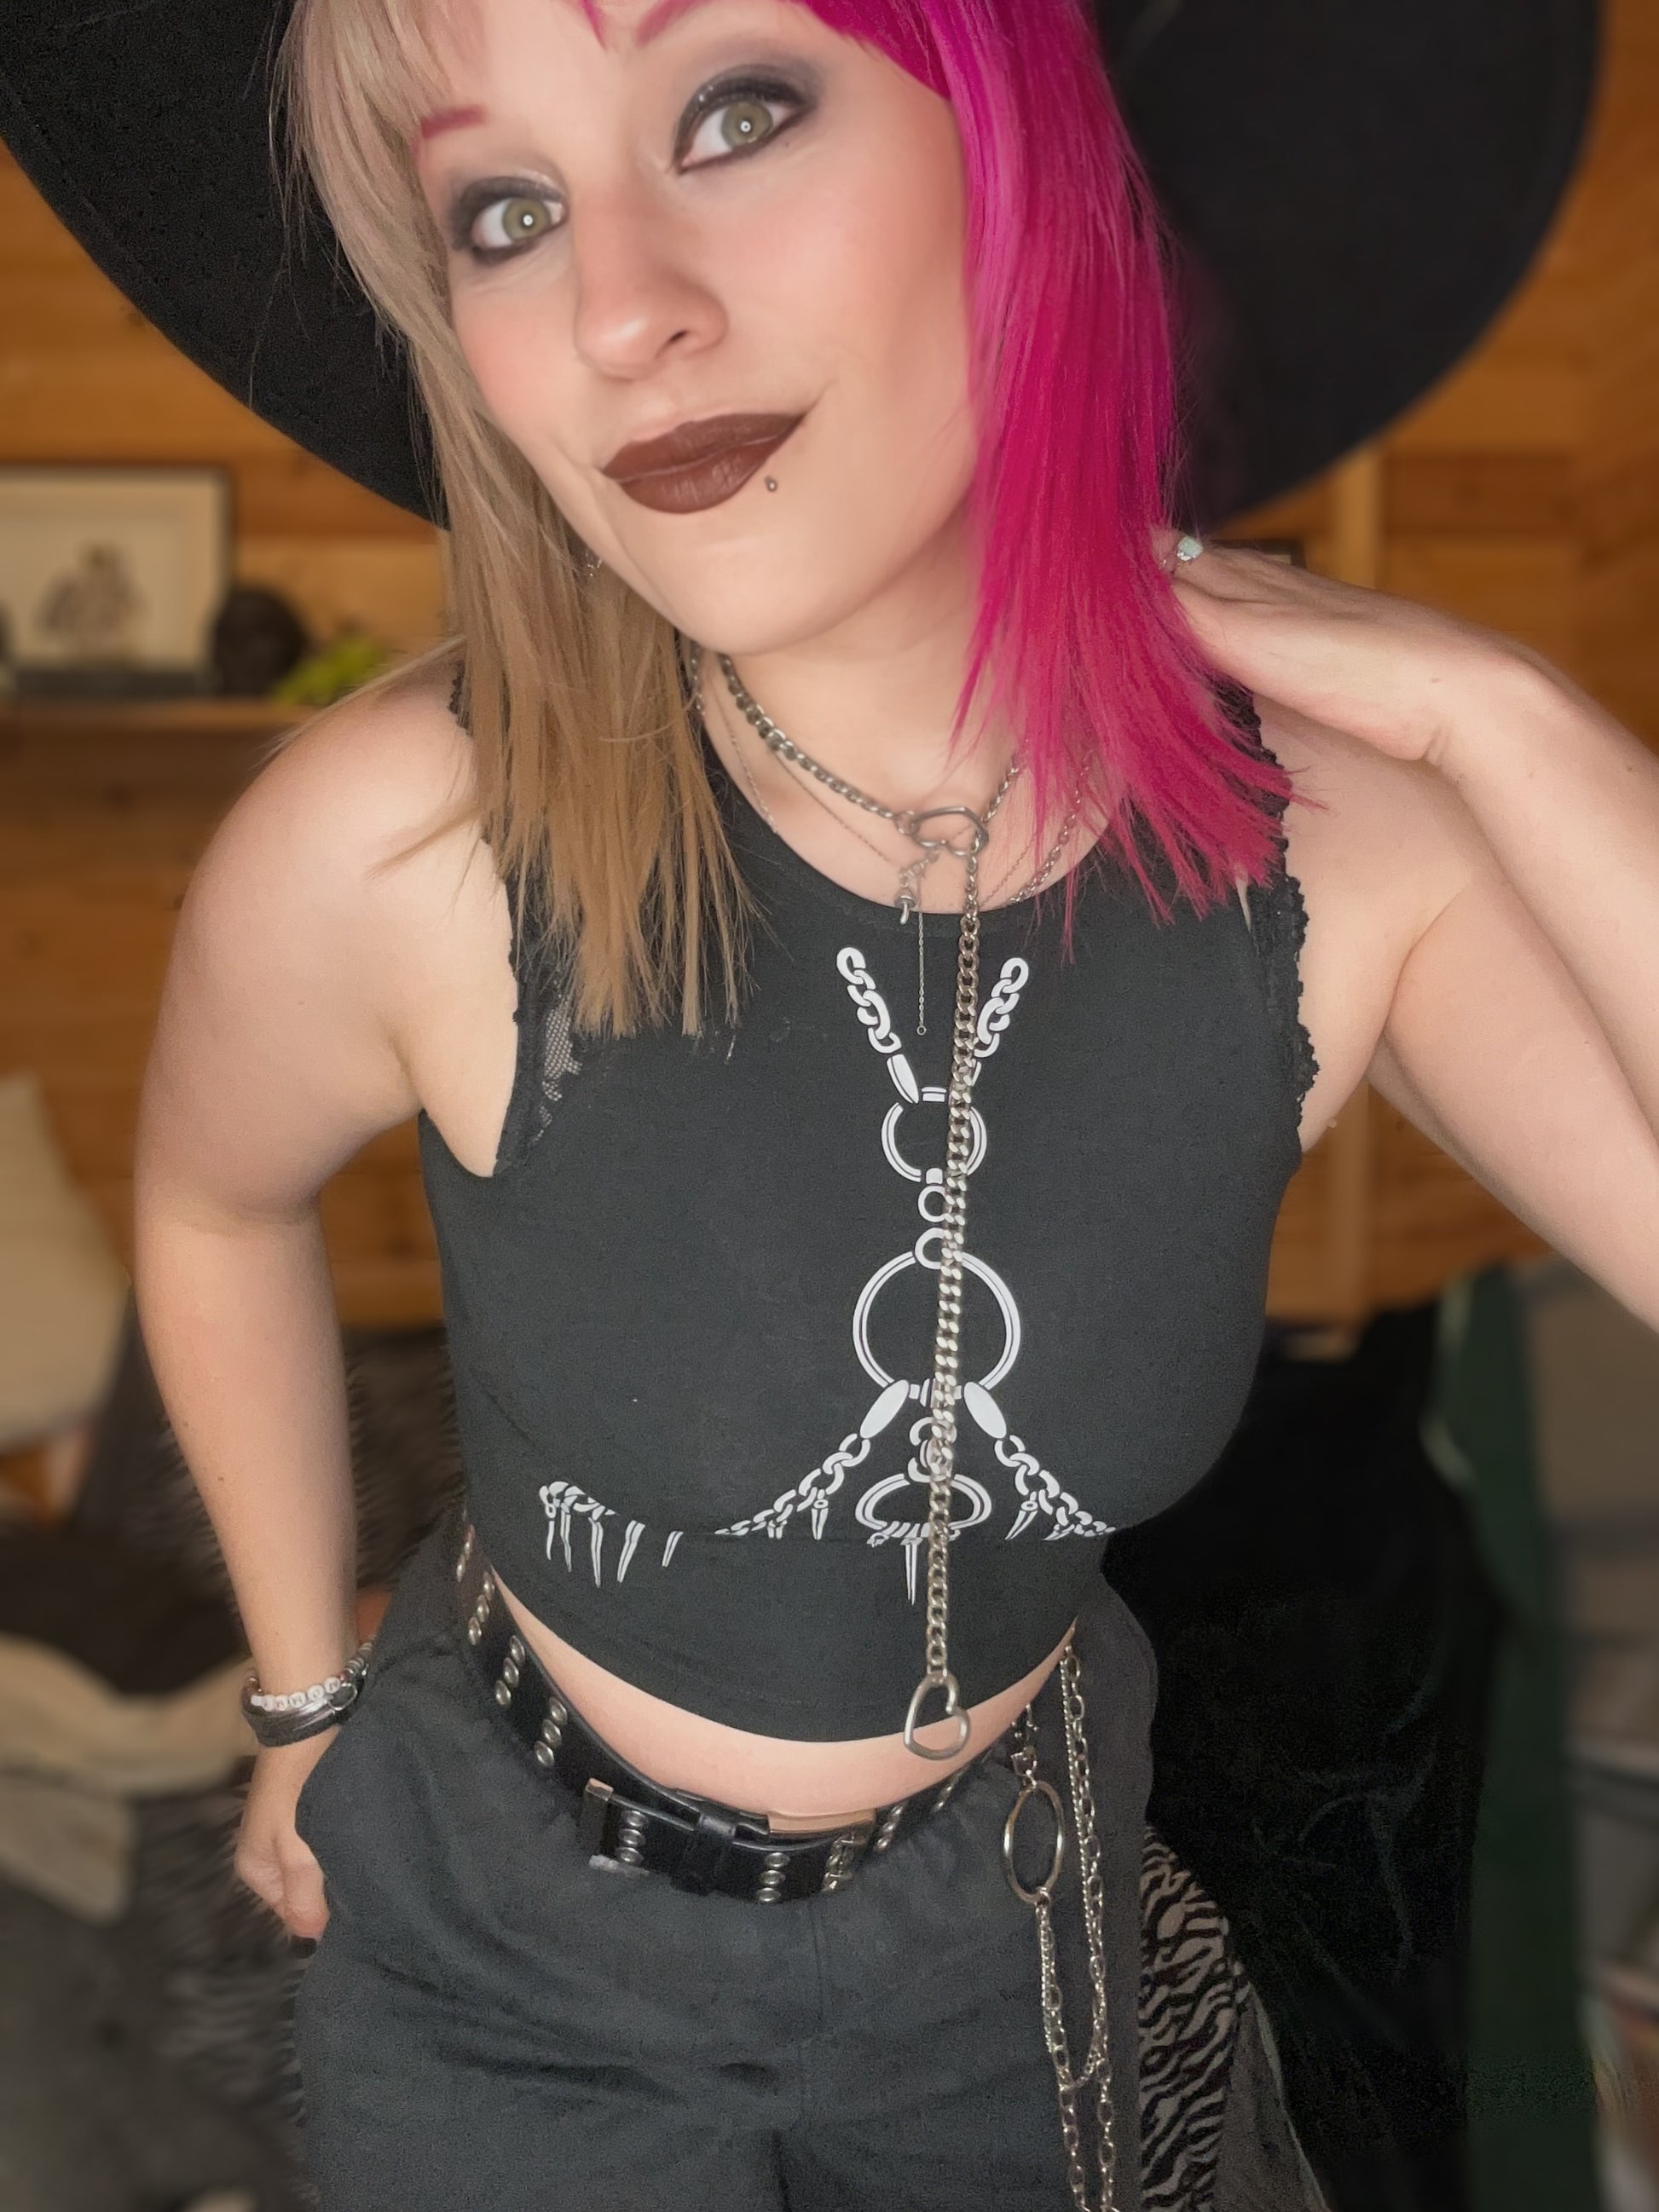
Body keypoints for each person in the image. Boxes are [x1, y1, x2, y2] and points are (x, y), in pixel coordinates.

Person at [9, 0, 1650, 2203]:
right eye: (503, 211)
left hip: (1004, 1928)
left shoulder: (1337, 853)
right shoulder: (407, 839)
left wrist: (1510, 721)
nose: (618, 312)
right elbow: (214, 1206)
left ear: (1024, 158)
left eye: (737, 108)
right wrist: (301, 1701)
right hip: (507, 1939)